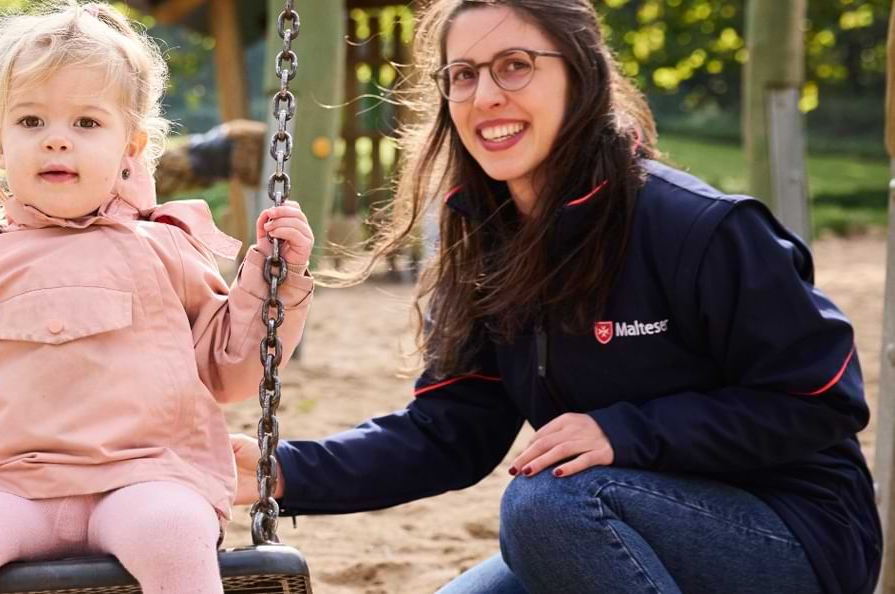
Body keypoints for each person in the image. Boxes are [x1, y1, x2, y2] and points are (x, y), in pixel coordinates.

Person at [230, 1, 878, 593]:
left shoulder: (697, 228)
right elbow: (450, 432)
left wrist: (628, 433)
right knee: (542, 521)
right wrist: (281, 471)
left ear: (580, 75)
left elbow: (820, 399)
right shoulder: (489, 242)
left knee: (546, 506)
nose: (484, 95)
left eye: (515, 67)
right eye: (462, 74)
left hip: (788, 535)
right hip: (611, 517)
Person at [0, 2, 316, 592]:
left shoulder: (162, 249)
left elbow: (231, 368)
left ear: (131, 148)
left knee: (174, 532)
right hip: (11, 489)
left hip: (147, 479)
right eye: (32, 122)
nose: (56, 143)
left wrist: (273, 279)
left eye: (87, 124)